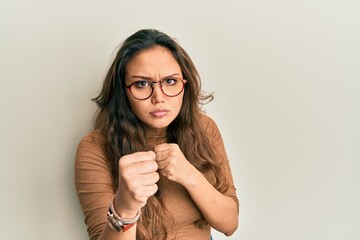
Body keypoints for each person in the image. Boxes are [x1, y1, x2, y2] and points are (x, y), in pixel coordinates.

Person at [75, 29, 239, 240]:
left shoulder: (204, 128)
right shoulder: (95, 147)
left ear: (184, 83)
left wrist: (189, 175)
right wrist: (125, 206)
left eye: (170, 81)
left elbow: (230, 224)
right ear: (123, 91)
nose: (159, 97)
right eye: (142, 84)